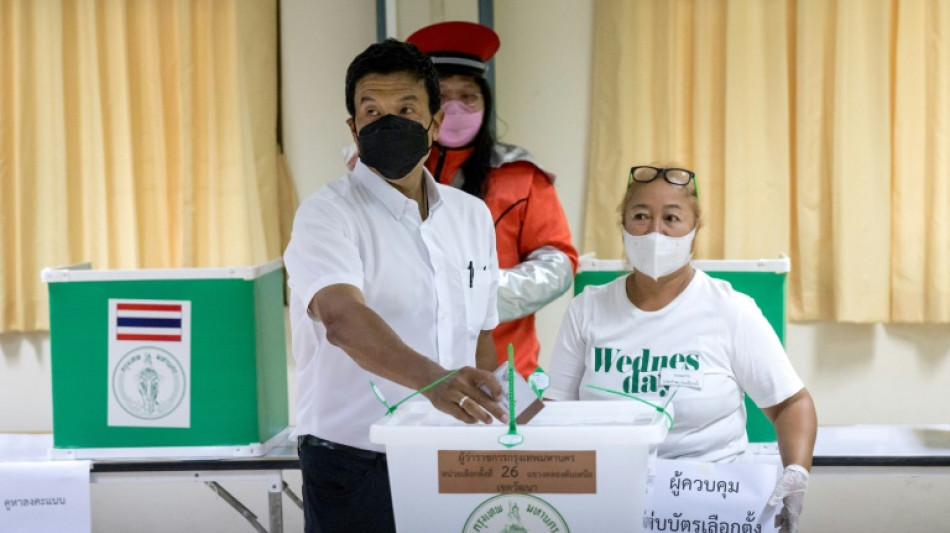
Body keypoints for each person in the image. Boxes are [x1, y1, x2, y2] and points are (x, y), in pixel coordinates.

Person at [283, 39, 508, 533]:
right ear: (354, 127)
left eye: (406, 108)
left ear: (433, 122)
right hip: (357, 461)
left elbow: (482, 335)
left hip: (453, 453)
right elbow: (342, 319)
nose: (389, 121)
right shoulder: (326, 215)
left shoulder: (470, 215)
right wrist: (434, 381)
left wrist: (502, 423)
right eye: (372, 109)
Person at [545, 165, 817, 533]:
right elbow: (555, 411)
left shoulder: (730, 310)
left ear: (694, 230)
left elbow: (791, 403)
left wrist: (796, 472)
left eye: (672, 218)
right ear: (622, 225)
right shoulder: (587, 309)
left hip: (711, 505)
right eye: (640, 216)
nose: (655, 231)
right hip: (608, 501)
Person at [406, 21, 579, 378]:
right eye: (442, 97)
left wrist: (479, 294)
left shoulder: (521, 175)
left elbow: (558, 261)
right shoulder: (390, 175)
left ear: (486, 103)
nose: (454, 109)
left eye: (467, 96)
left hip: (504, 371)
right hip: (412, 369)